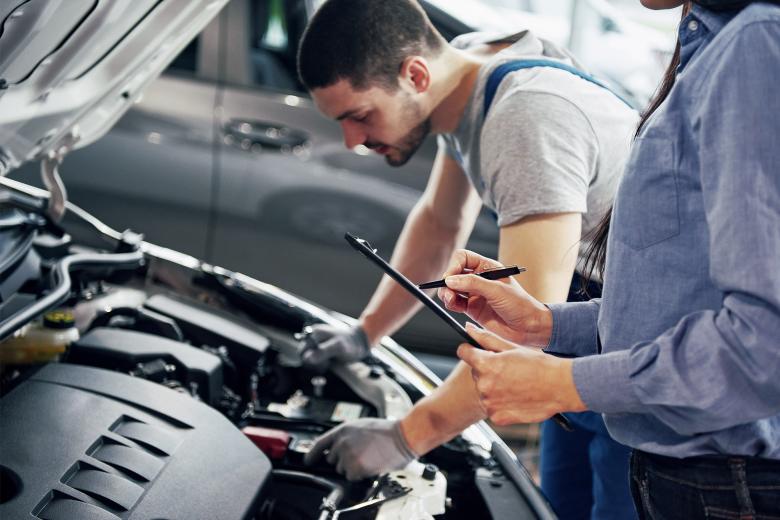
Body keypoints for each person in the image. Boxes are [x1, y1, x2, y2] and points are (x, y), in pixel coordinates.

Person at [434, 1, 780, 517]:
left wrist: (564, 383)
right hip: (696, 475)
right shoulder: (714, 43)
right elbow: (685, 300)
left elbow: (764, 345)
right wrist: (546, 325)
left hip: (731, 484)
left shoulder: (756, 42)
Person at [296, 1, 639, 517]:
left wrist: (407, 436)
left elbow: (514, 334)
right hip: (581, 337)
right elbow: (440, 223)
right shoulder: (463, 70)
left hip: (636, 362)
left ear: (415, 74)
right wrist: (366, 333)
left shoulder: (524, 116)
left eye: (359, 116)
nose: (352, 141)